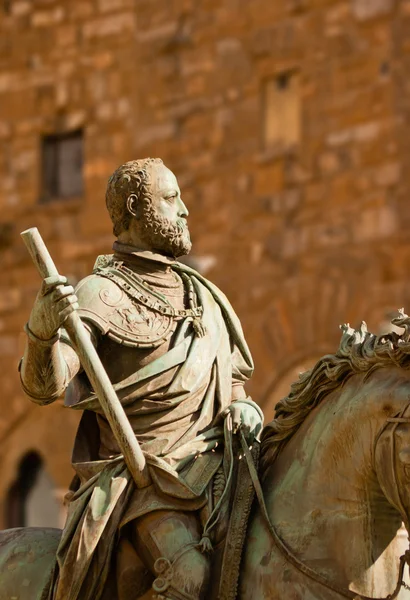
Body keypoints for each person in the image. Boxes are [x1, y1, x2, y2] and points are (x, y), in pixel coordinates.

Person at [19, 157, 263, 600]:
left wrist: (243, 404)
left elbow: (229, 380)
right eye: (171, 199)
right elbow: (45, 387)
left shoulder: (205, 295)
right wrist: (40, 332)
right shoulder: (101, 293)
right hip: (147, 484)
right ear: (135, 207)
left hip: (217, 466)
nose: (185, 209)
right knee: (188, 575)